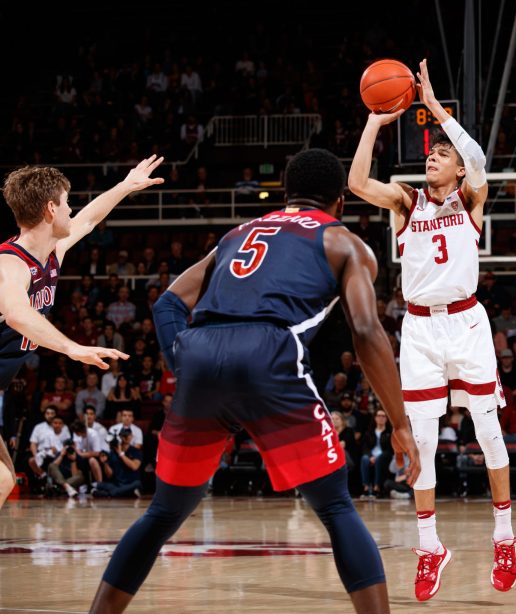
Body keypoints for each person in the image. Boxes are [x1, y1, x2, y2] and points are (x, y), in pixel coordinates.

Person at [88, 149, 420, 614]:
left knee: (163, 513)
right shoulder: (344, 243)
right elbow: (366, 331)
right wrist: (400, 421)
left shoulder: (237, 235)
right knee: (335, 507)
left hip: (201, 353)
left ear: (286, 193)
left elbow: (166, 303)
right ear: (340, 201)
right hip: (268, 354)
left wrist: (183, 365)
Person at [349, 58, 516, 599]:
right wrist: (377, 119)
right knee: (420, 443)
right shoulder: (405, 202)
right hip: (420, 330)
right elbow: (354, 183)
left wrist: (438, 111)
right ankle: (429, 547)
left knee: (488, 432)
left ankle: (504, 536)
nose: (433, 157)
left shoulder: (471, 198)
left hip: (467, 324)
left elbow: (476, 157)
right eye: (431, 153)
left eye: (441, 154)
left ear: (457, 171)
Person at [0, 156, 162, 507]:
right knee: (1, 478)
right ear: (49, 209)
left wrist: (125, 186)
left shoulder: (50, 252)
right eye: (66, 203)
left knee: (4, 478)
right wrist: (72, 347)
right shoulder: (9, 264)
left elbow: (89, 219)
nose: (71, 210)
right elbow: (17, 314)